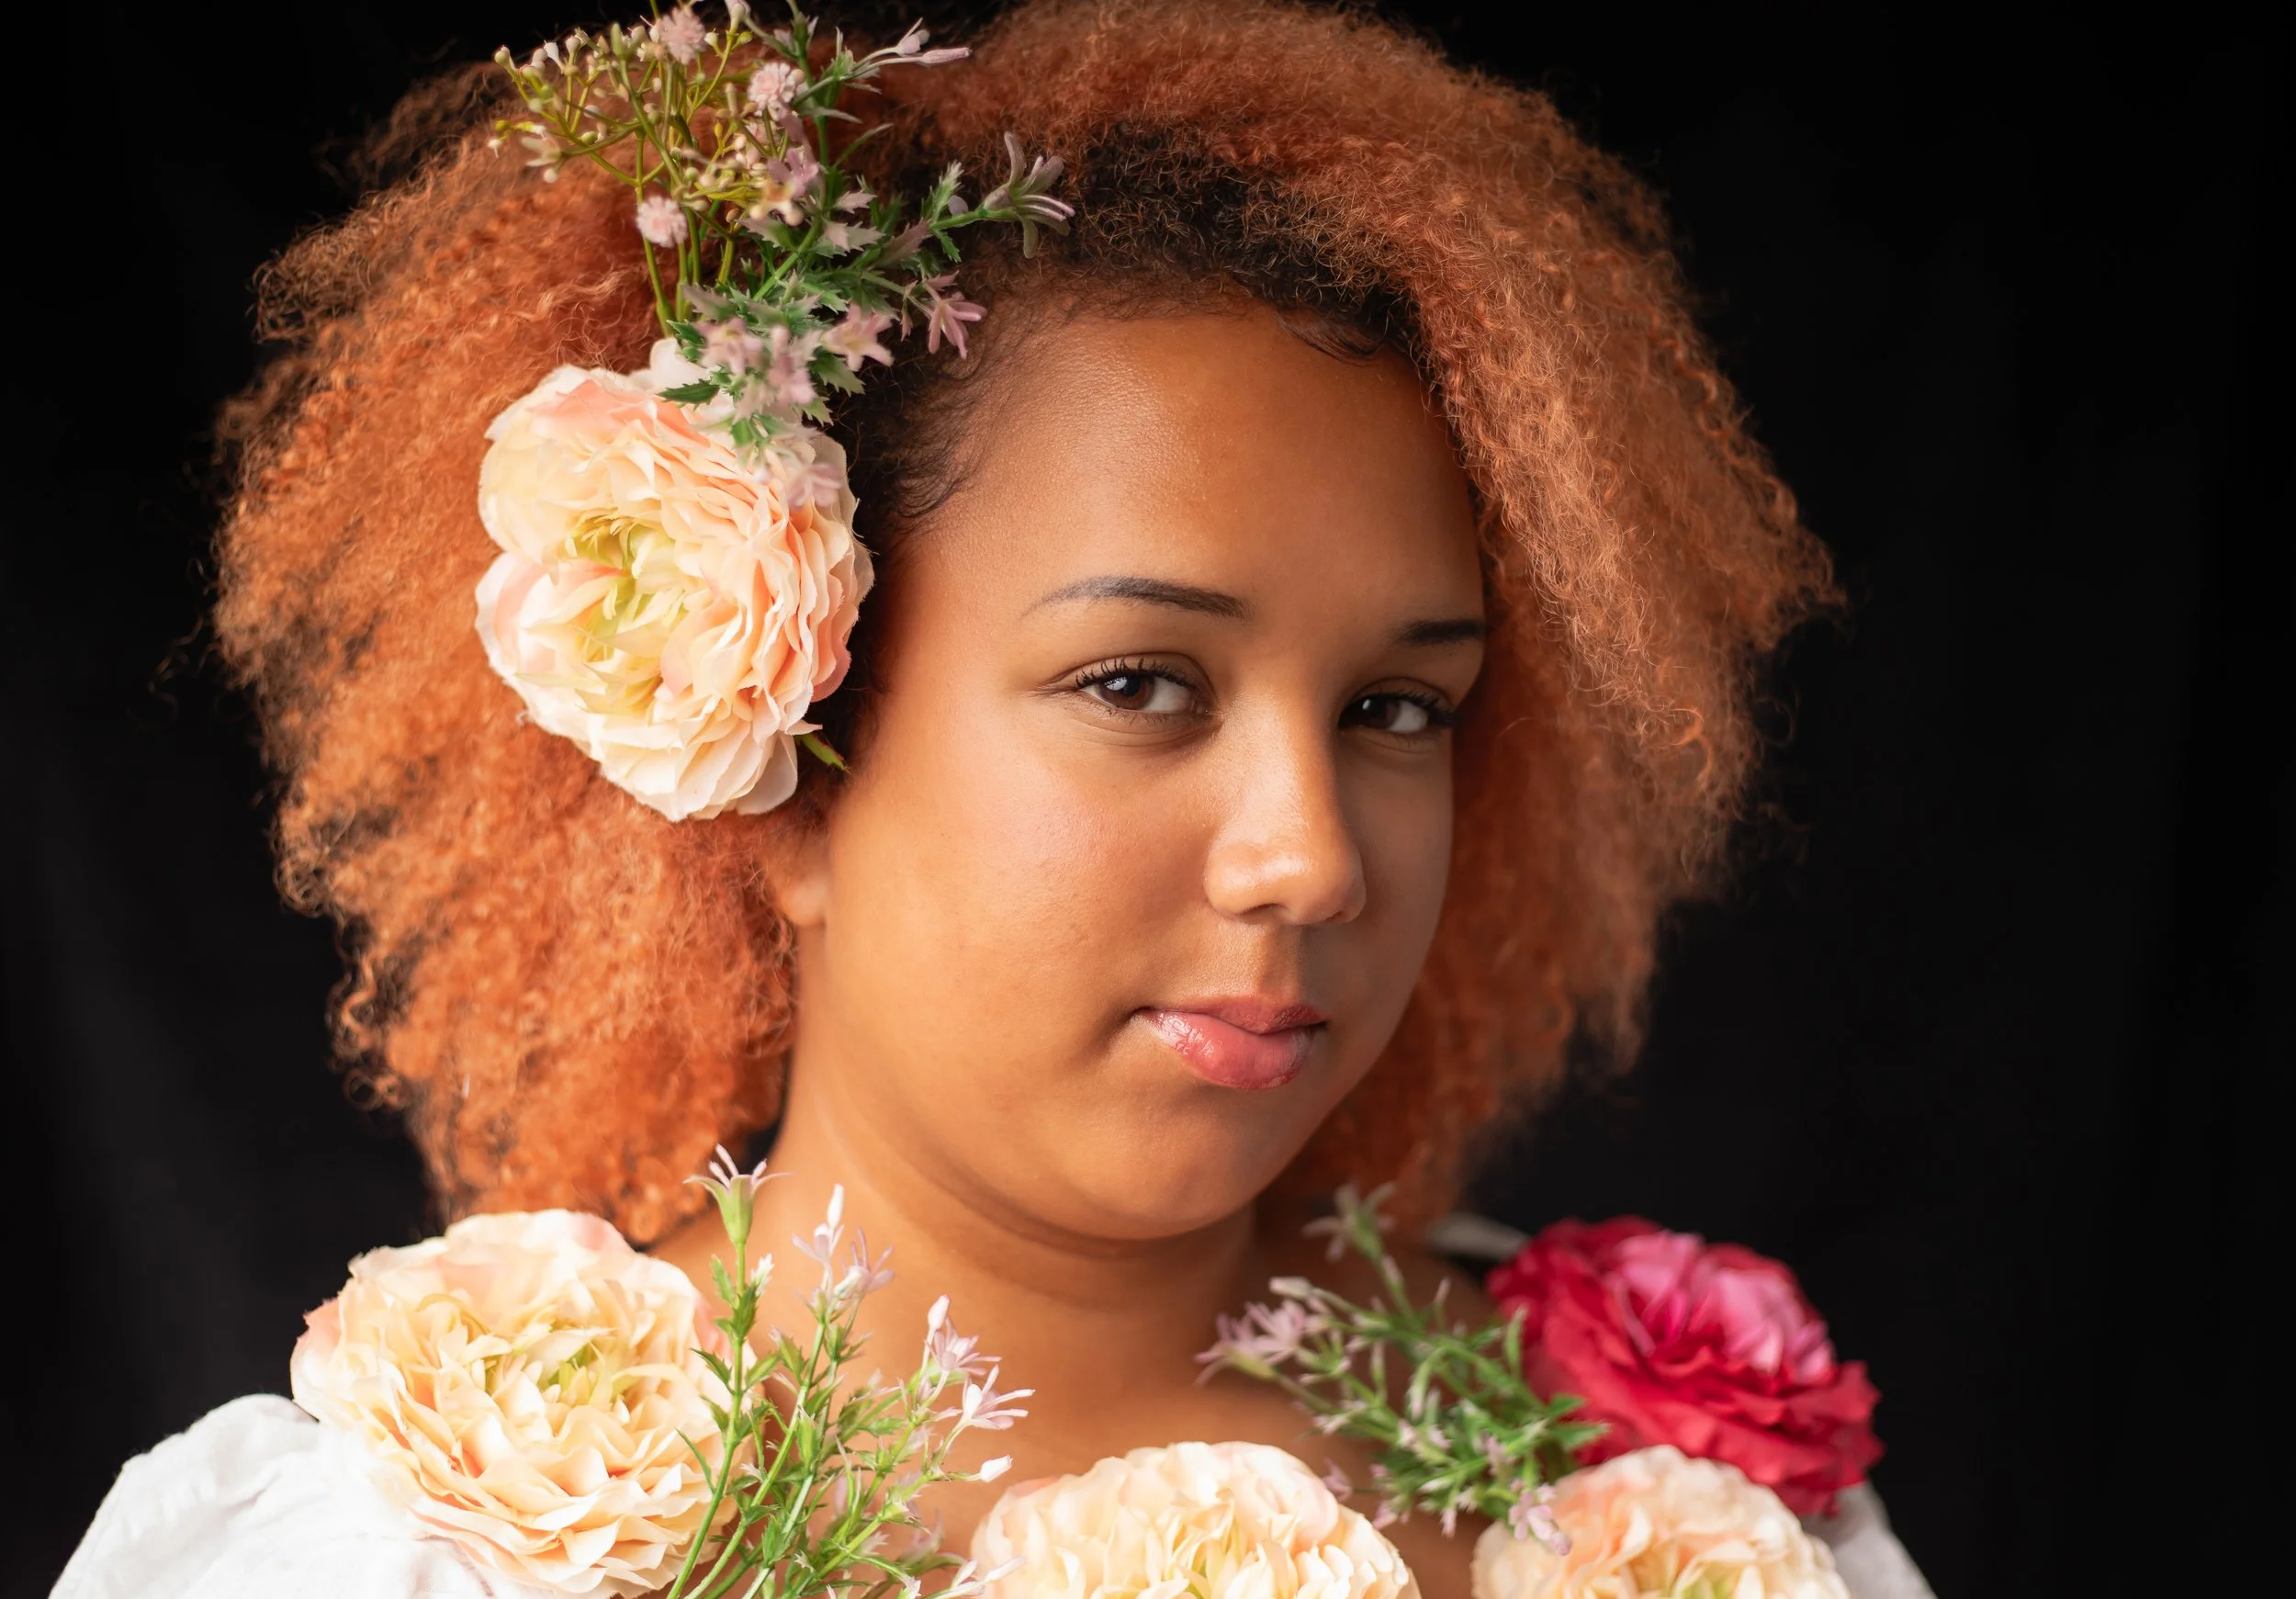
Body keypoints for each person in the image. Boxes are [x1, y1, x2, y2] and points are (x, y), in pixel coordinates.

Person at [55, 2, 1863, 1595]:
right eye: (1140, 684)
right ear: (772, 755)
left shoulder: (1665, 1487)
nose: (1309, 855)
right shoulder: (403, 1551)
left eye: (1400, 707)